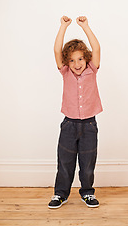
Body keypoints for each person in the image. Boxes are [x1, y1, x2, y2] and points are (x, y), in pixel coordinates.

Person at [48, 16, 103, 209]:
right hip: (69, 125)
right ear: (66, 62)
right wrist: (63, 26)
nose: (77, 63)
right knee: (65, 162)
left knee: (87, 163)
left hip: (89, 125)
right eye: (72, 60)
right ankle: (60, 194)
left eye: (80, 59)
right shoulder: (65, 72)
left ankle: (87, 193)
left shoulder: (92, 69)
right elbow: (57, 50)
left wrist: (85, 26)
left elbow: (96, 48)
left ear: (86, 59)